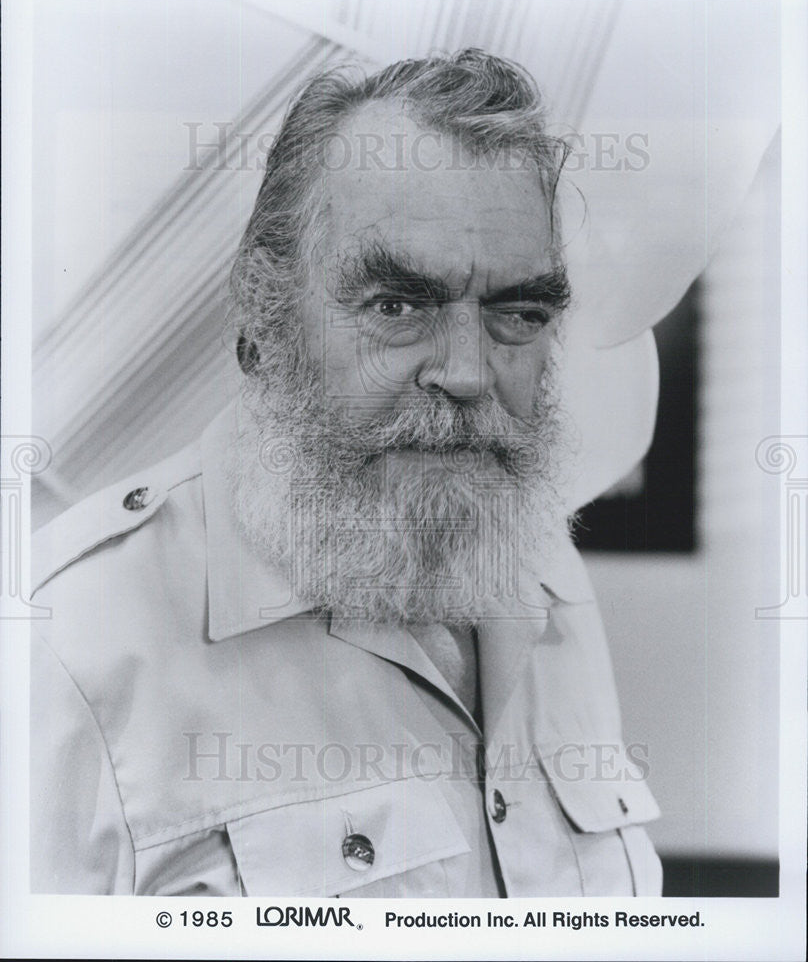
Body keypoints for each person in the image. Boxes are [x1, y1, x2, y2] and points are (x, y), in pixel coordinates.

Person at [30, 49, 663, 896]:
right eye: (397, 307)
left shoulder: (548, 573)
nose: (469, 374)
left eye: (520, 312)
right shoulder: (64, 647)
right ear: (264, 311)